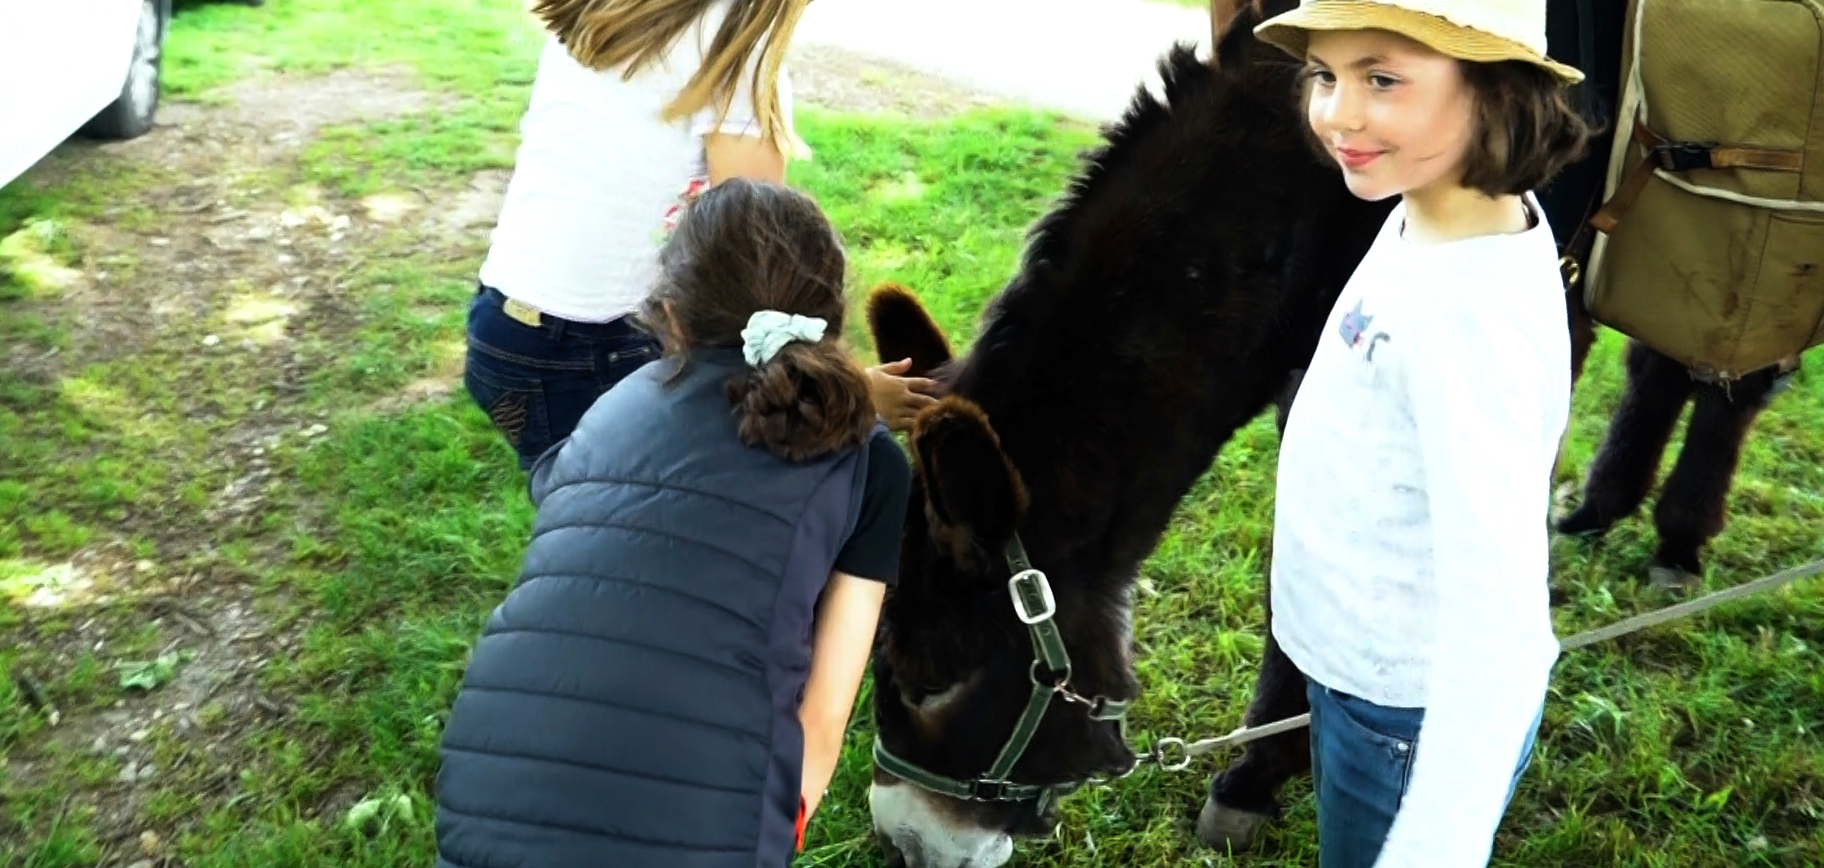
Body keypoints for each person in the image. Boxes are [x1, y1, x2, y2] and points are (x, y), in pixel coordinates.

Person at [434, 179, 908, 867]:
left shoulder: (609, 407)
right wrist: (773, 830)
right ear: (828, 315)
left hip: (481, 799)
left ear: (671, 313)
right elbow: (824, 721)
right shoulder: (868, 461)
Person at [1233, 2, 1595, 866]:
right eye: (1324, 74)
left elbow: (1503, 627)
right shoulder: (1434, 206)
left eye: (1382, 78)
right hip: (1353, 659)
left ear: (1498, 91)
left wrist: (1433, 841)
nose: (1337, 113)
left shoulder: (1472, 324)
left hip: (1403, 712)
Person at [465, 0, 937, 470]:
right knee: (663, 512)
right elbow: (754, 270)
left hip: (503, 329)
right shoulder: (735, 43)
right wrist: (848, 395)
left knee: (586, 511)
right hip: (596, 348)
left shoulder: (614, 8)